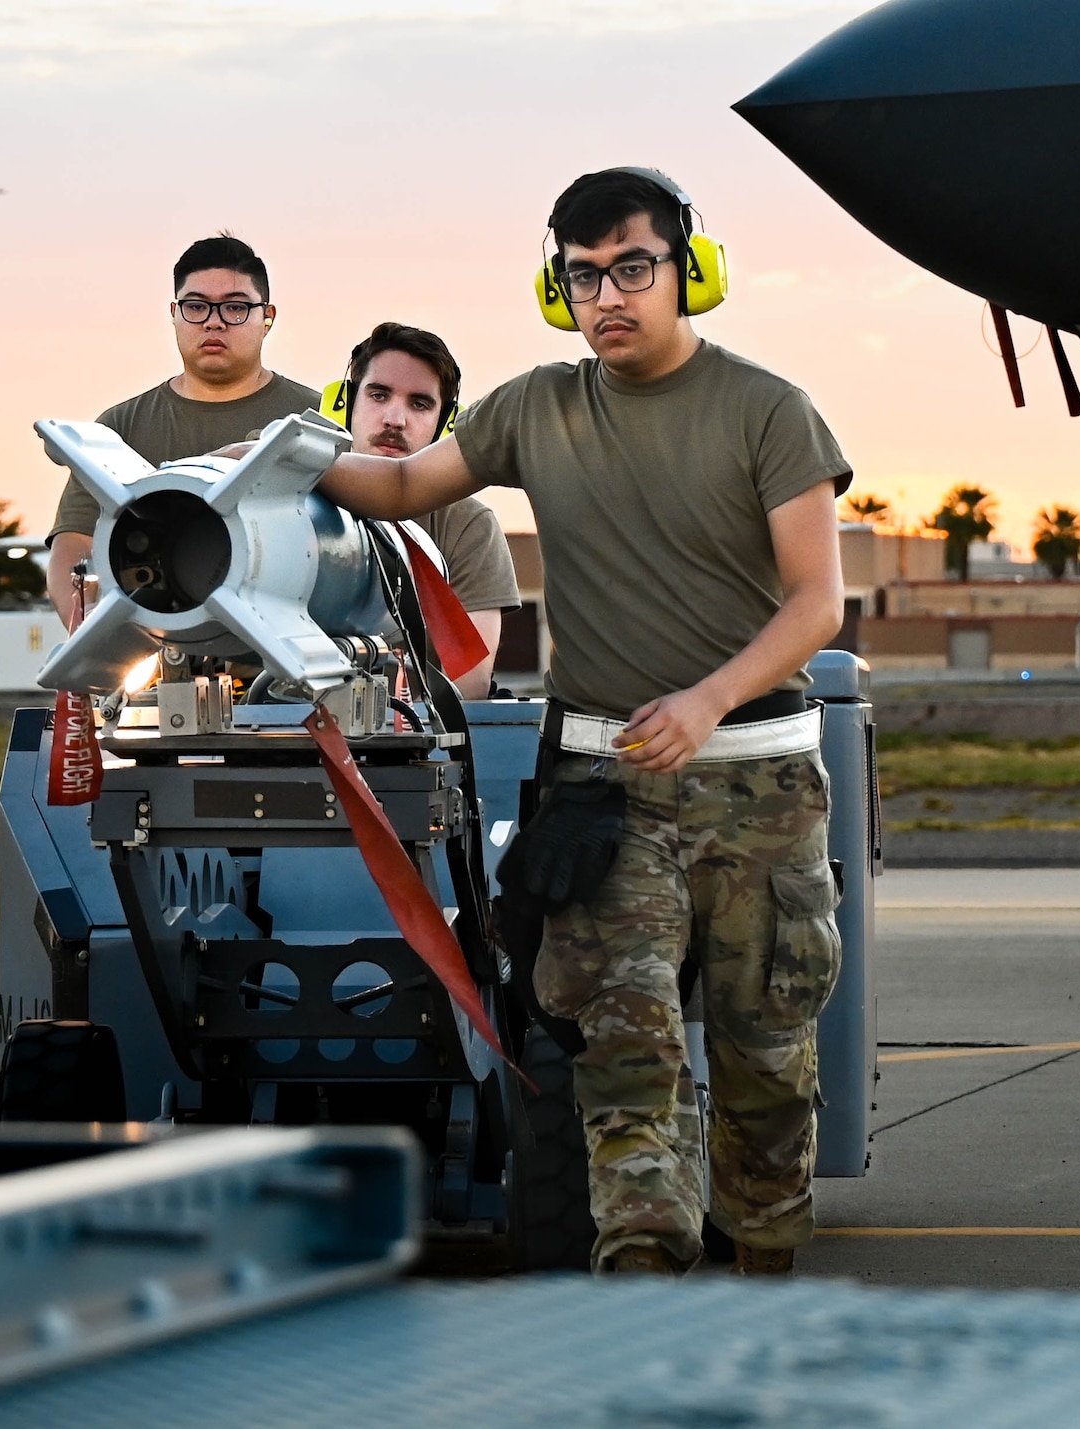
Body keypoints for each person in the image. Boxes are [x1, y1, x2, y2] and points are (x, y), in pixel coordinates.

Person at [310, 168, 851, 1277]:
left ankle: (764, 1287)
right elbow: (404, 487)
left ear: (687, 272)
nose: (609, 295)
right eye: (583, 275)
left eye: (632, 268)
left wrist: (707, 697)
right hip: (609, 799)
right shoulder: (534, 408)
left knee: (762, 1063)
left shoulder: (769, 411)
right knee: (622, 1051)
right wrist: (265, 461)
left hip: (758, 790)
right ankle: (638, 1291)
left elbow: (817, 603)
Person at [46, 234, 319, 597]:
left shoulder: (312, 424)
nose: (214, 322)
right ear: (174, 314)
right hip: (160, 640)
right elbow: (74, 550)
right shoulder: (120, 429)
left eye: (235, 307)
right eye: (196, 306)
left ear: (267, 317)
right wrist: (102, 644)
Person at [329, 322, 519, 698]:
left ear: (446, 422)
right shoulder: (288, 497)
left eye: (419, 404)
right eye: (379, 395)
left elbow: (467, 686)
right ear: (347, 402)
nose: (395, 420)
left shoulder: (467, 525)